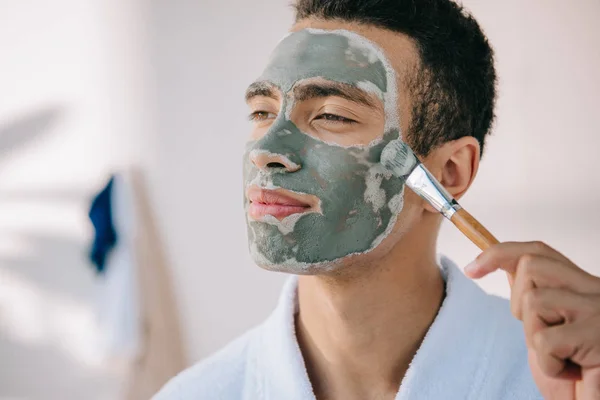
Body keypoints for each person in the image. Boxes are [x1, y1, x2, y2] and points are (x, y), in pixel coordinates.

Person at [154, 1, 600, 399]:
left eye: (332, 115)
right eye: (262, 112)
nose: (267, 150)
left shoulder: (567, 376)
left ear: (450, 172)